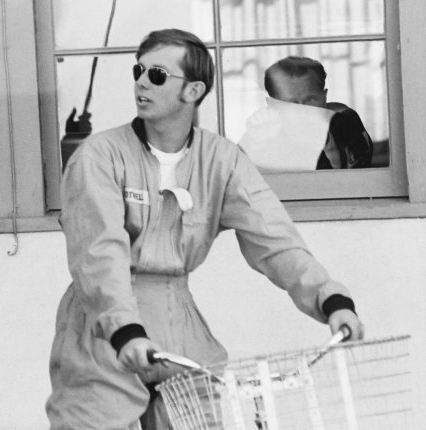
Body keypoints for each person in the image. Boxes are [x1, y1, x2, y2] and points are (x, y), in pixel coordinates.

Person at [46, 29, 364, 430]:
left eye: (157, 75)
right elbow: (99, 253)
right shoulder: (99, 156)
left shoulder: (222, 160)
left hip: (180, 325)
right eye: (138, 71)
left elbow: (274, 239)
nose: (142, 82)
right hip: (103, 328)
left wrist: (331, 300)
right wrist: (123, 329)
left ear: (193, 90)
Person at [263, 56, 374, 169]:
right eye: (291, 103)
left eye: (310, 99)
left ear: (325, 96)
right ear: (273, 106)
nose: (303, 111)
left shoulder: (346, 120)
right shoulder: (265, 147)